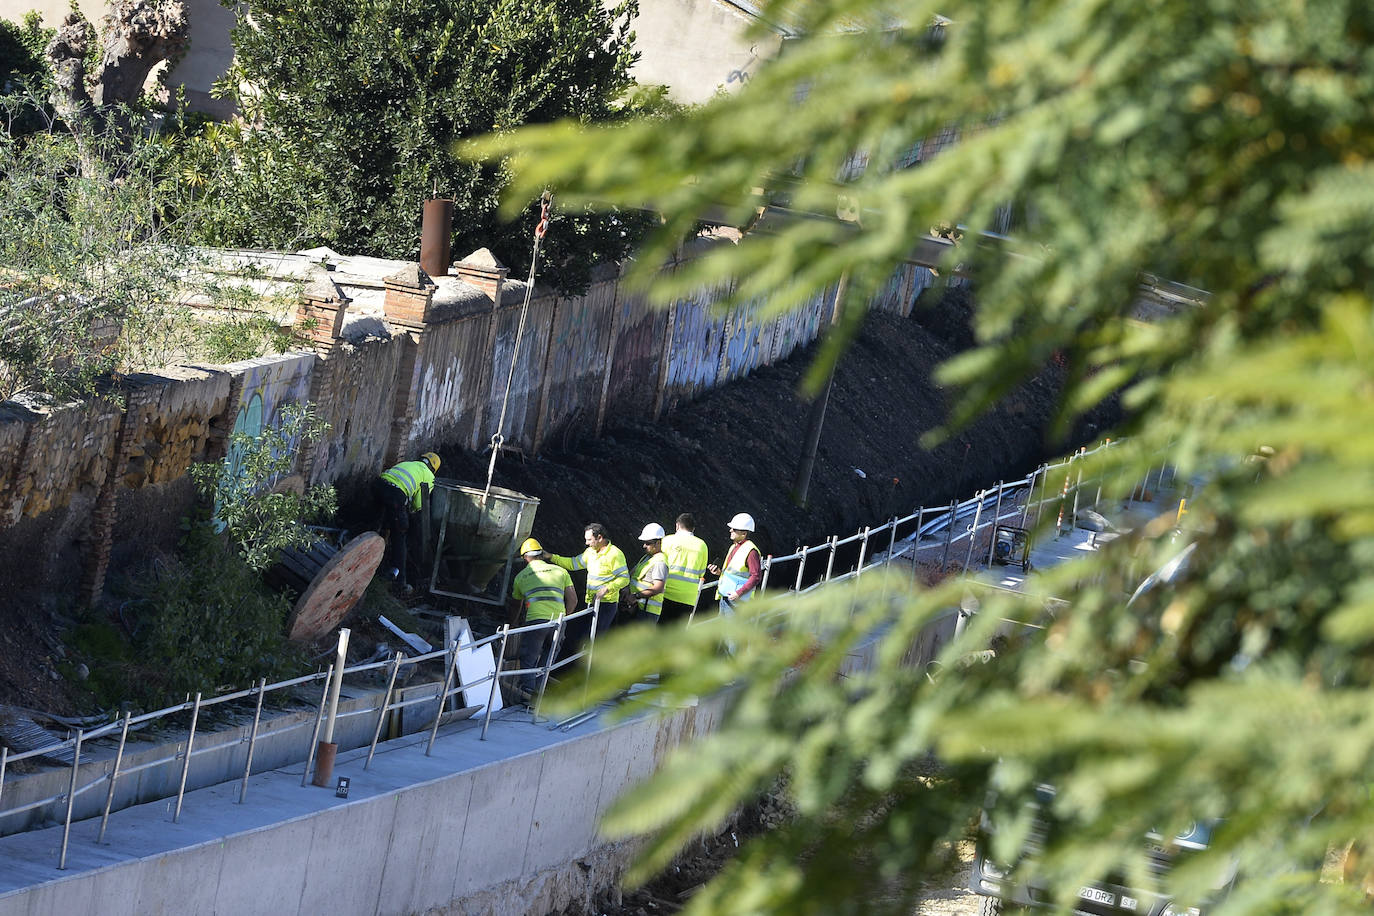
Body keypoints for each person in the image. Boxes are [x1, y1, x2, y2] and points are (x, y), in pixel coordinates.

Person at [507, 537, 577, 700]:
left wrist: (512, 623)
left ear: (525, 557)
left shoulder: (521, 577)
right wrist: (564, 618)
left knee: (529, 657)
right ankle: (538, 687)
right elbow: (573, 600)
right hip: (558, 621)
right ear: (541, 554)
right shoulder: (561, 571)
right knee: (552, 652)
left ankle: (528, 693)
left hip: (535, 623)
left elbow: (516, 605)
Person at [375, 452, 440, 593]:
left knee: (375, 524)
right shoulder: (429, 476)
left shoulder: (409, 463)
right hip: (396, 495)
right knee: (400, 535)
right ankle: (399, 581)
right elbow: (418, 504)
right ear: (434, 469)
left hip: (378, 485)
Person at [549, 522, 630, 631]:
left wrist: (607, 589)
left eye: (589, 540)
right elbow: (573, 564)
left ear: (600, 538)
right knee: (588, 636)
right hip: (591, 602)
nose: (586, 543)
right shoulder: (590, 552)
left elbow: (624, 578)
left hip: (606, 604)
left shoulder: (615, 554)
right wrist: (551, 557)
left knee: (596, 638)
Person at [708, 512, 762, 619]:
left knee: (730, 635)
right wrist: (719, 572)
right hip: (726, 596)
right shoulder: (733, 547)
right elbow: (733, 573)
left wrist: (739, 593)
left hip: (738, 600)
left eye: (734, 529)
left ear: (744, 533)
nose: (730, 530)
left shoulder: (751, 551)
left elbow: (756, 576)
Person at [660, 513, 709, 625]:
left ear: (677, 525)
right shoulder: (702, 545)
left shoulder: (667, 540)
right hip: (688, 597)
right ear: (693, 528)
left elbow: (658, 563)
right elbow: (702, 572)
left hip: (666, 593)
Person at [629, 523, 669, 623]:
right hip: (637, 608)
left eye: (648, 543)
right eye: (644, 542)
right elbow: (632, 574)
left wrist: (635, 596)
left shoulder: (660, 562)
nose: (644, 546)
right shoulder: (647, 557)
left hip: (647, 612)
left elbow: (658, 588)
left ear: (658, 543)